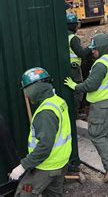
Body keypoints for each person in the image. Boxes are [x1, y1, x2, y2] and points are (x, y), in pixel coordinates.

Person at [64, 33, 108, 182]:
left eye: (94, 49)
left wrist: (75, 86)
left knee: (97, 134)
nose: (92, 51)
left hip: (102, 104)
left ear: (102, 48)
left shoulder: (101, 64)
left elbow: (90, 85)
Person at [11, 67, 72, 196]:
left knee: (24, 192)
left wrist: (23, 166)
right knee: (54, 193)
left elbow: (45, 146)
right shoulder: (58, 101)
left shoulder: (45, 113)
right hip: (61, 162)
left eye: (26, 90)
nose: (26, 95)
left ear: (36, 88)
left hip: (45, 168)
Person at [66, 13, 91, 112]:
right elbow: (81, 54)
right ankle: (75, 113)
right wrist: (90, 47)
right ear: (74, 25)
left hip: (66, 67)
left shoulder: (63, 36)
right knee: (78, 90)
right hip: (74, 69)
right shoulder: (73, 38)